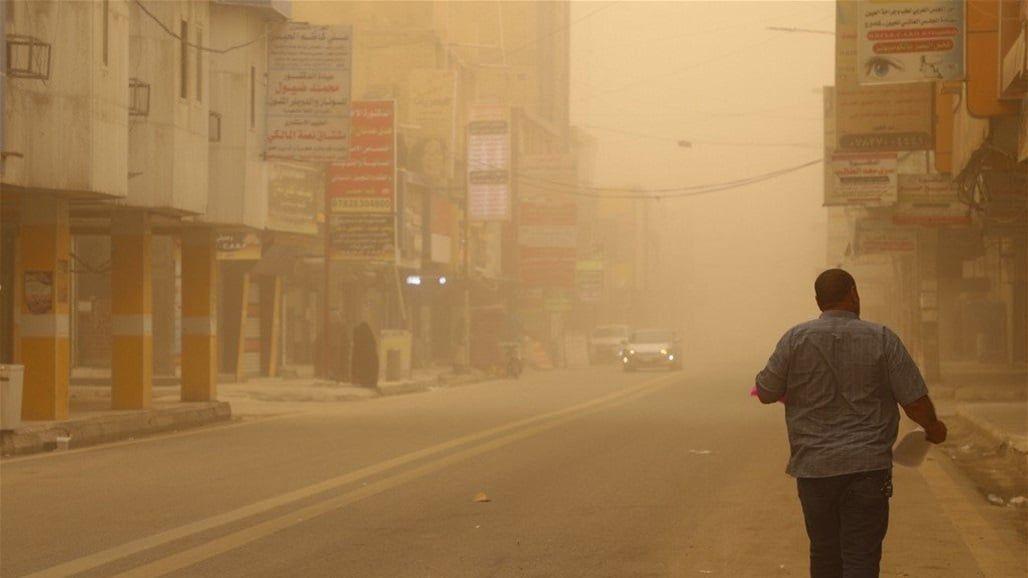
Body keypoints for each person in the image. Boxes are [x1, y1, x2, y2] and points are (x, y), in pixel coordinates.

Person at [754, 268, 947, 578]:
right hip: (867, 470)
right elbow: (914, 401)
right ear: (855, 294)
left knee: (824, 554)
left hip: (814, 469)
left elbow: (765, 392)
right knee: (861, 557)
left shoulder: (794, 339)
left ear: (818, 302)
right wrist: (935, 429)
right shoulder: (882, 338)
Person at [350, 322, 379, 388]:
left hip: (365, 378)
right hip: (369, 378)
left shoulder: (361, 346)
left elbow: (354, 361)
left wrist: (354, 376)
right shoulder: (370, 343)